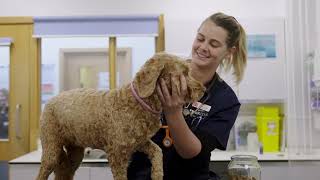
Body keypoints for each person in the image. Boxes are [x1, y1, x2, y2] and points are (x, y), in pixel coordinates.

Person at [128, 12, 247, 180]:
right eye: (200, 38)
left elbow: (190, 152)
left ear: (229, 52)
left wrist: (173, 112)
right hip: (143, 174)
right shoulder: (163, 72)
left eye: (213, 44)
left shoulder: (225, 100)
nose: (203, 47)